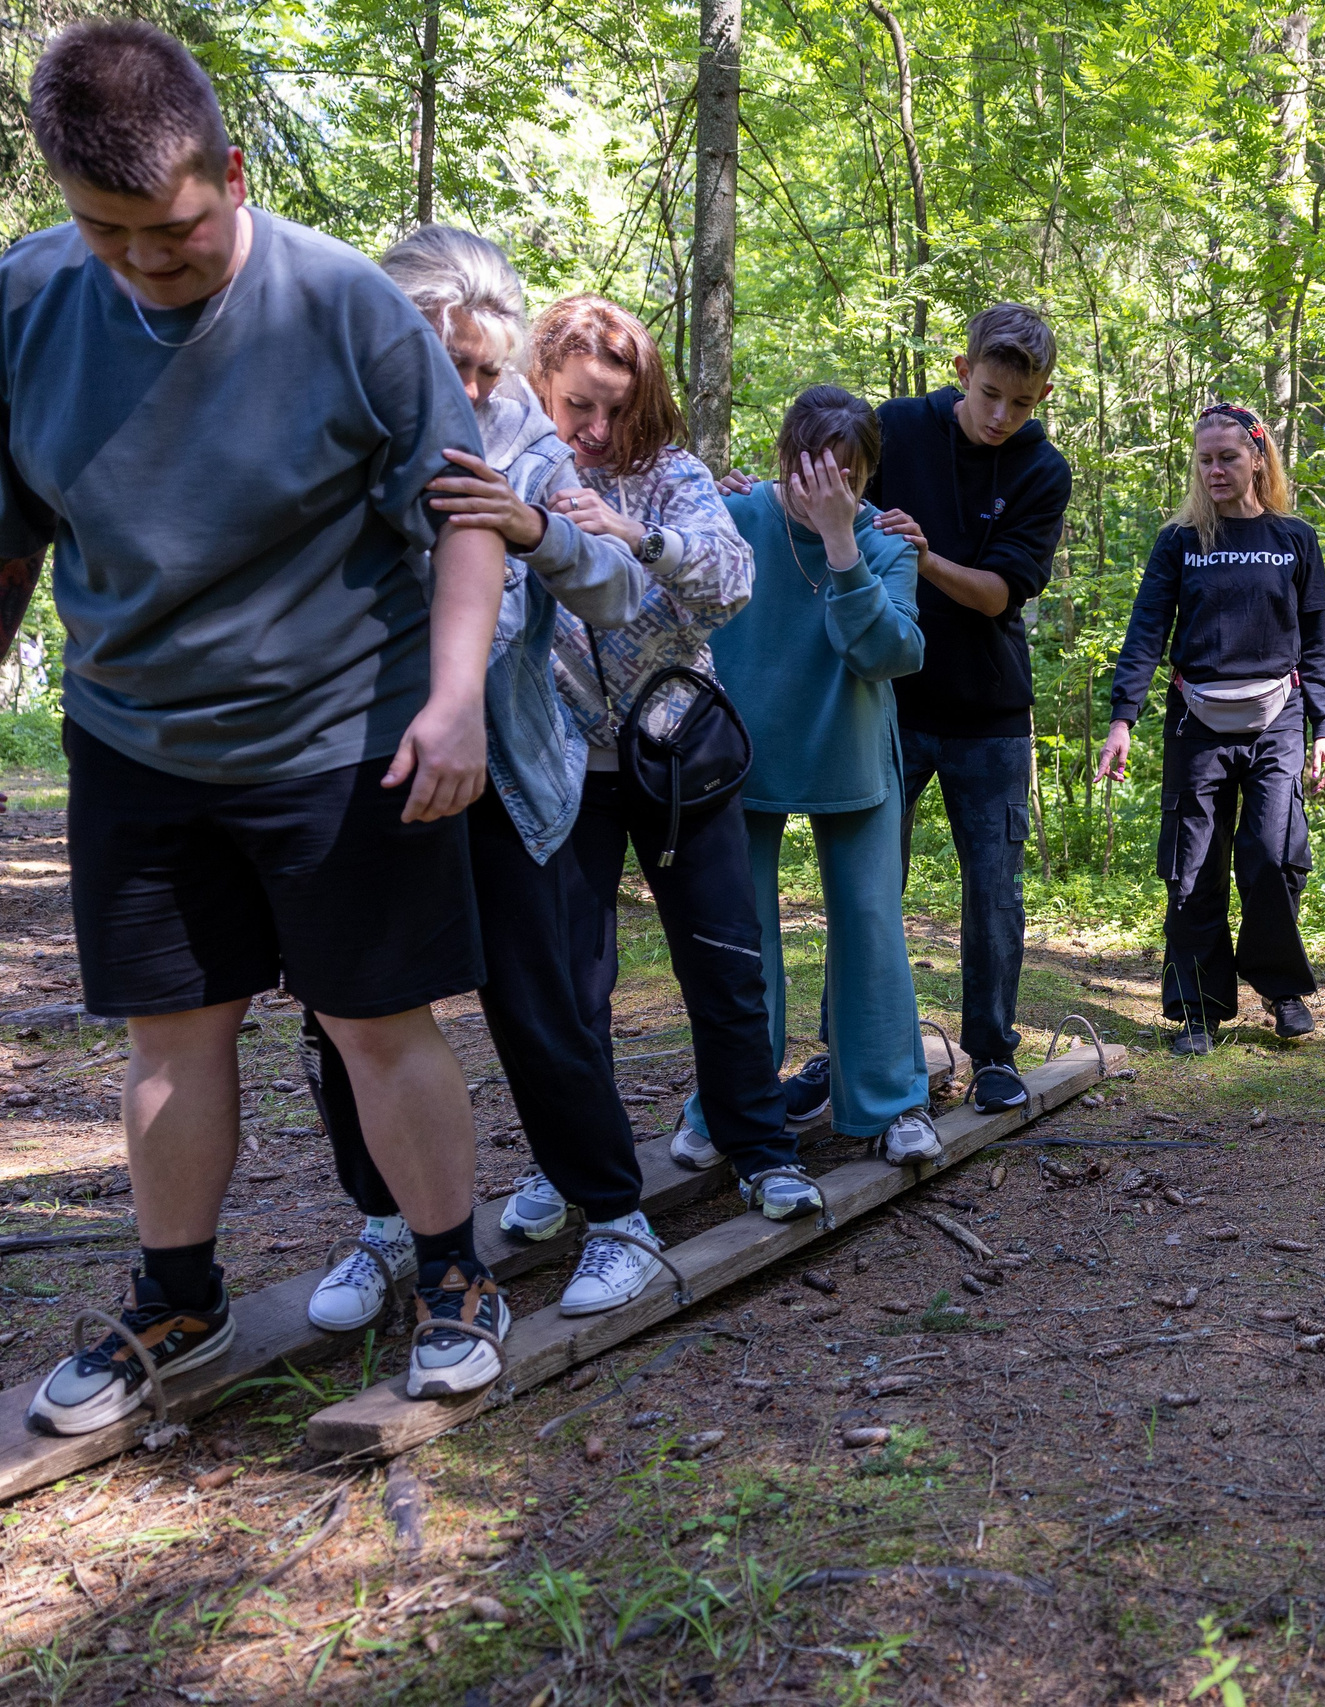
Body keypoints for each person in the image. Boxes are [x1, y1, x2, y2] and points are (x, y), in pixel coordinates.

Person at [2, 23, 508, 1428]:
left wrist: (455, 698)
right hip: (135, 734)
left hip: (344, 734)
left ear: (231, 168)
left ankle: (457, 1274)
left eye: (171, 230)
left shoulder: (344, 308)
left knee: (373, 1019)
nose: (144, 264)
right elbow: (9, 538)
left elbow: (465, 516)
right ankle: (179, 1295)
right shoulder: (27, 304)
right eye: (106, 234)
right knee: (172, 1031)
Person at [301, 224, 691, 1332]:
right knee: (356, 1012)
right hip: (358, 758)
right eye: (450, 365)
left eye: (485, 367)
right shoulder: (325, 419)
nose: (470, 388)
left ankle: (617, 1220)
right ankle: (388, 1230)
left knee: (540, 1000)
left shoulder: (526, 439)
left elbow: (619, 589)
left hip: (509, 768)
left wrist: (531, 528)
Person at [505, 294, 822, 1224]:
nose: (598, 429)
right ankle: (570, 1165)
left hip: (681, 756)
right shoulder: (515, 472)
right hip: (562, 766)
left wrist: (637, 534)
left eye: (616, 408)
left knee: (725, 960)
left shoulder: (674, 474)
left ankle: (759, 1146)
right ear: (541, 388)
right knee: (572, 984)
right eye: (578, 407)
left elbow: (732, 583)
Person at [699, 386, 942, 1165]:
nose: (831, 494)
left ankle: (891, 1103)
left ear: (868, 477)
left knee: (871, 926)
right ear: (785, 463)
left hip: (853, 750)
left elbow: (891, 653)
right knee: (739, 939)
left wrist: (844, 547)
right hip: (743, 757)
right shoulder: (735, 520)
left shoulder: (887, 542)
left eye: (851, 479)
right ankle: (727, 1107)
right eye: (815, 477)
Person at [867, 305, 1072, 1114]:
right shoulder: (894, 429)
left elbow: (995, 594)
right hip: (888, 702)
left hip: (988, 713)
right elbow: (832, 512)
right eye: (989, 394)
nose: (1000, 417)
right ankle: (859, 1047)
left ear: (1042, 394)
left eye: (1020, 404)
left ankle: (991, 1050)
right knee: (869, 883)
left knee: (993, 893)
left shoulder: (1042, 470)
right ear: (962, 370)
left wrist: (925, 556)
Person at [1097, 403, 1325, 1053]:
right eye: (1204, 460)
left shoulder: (1294, 538)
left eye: (1227, 457)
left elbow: (1317, 640)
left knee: (1271, 851)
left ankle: (1280, 990)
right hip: (1196, 723)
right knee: (1192, 866)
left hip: (1278, 720)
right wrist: (1123, 719)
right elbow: (1145, 632)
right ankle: (1200, 1011)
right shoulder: (1180, 542)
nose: (1215, 470)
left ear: (1257, 458)